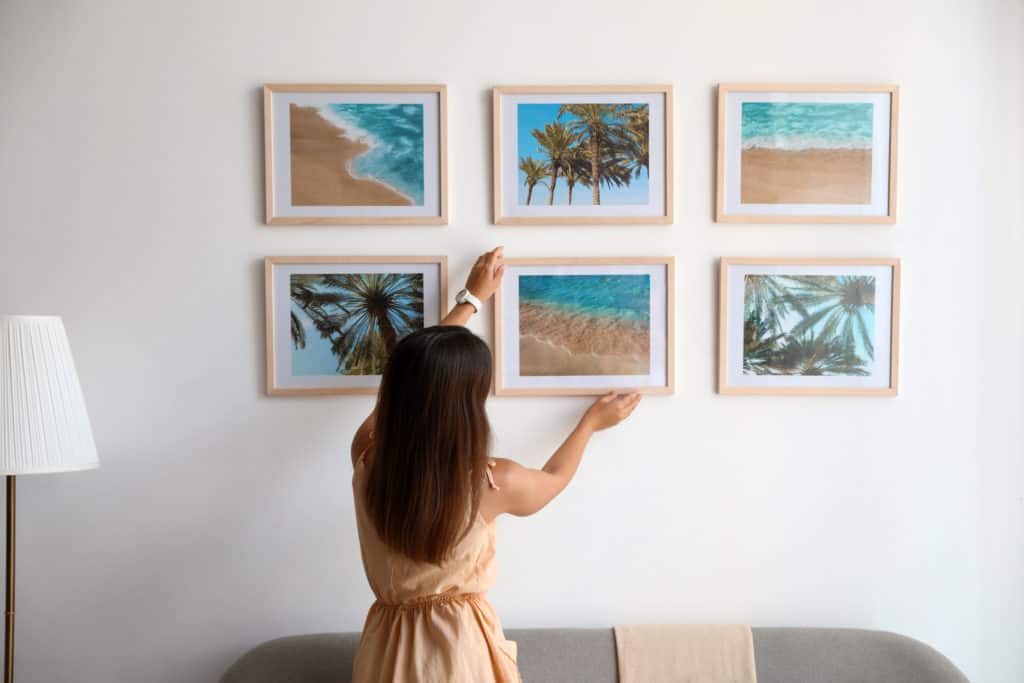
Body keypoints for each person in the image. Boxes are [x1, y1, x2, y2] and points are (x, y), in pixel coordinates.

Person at [350, 247, 642, 682]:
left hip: (383, 653)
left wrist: (469, 302)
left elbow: (411, 379)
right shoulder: (490, 481)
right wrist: (591, 423)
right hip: (456, 656)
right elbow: (554, 479)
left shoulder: (368, 458)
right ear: (468, 402)